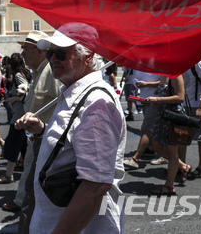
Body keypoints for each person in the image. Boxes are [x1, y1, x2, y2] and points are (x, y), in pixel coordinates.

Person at [15, 30, 126, 234]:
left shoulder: (96, 105)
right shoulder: (73, 90)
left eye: (62, 53)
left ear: (89, 55)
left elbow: (96, 185)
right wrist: (42, 130)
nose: (53, 59)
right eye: (50, 54)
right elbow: (71, 144)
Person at [1, 31, 61, 234]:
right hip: (35, 136)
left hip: (46, 139)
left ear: (41, 51)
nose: (22, 53)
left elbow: (64, 104)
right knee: (30, 181)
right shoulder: (37, 72)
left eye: (26, 49)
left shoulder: (51, 72)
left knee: (33, 187)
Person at [146, 74, 190, 195]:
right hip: (163, 115)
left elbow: (180, 97)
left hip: (173, 116)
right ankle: (182, 166)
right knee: (157, 147)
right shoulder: (164, 75)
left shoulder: (176, 75)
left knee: (171, 152)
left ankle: (169, 186)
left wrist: (157, 99)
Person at [0, 53, 31, 184]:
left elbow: (26, 90)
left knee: (12, 144)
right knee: (24, 145)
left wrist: (14, 98)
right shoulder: (24, 72)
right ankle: (27, 169)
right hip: (23, 114)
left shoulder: (19, 75)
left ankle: (9, 175)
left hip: (19, 116)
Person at [123, 71, 161, 169]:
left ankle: (135, 158)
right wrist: (135, 85)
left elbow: (163, 83)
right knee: (151, 129)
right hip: (144, 101)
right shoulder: (141, 67)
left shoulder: (158, 65)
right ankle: (150, 149)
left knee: (146, 130)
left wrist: (146, 84)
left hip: (154, 101)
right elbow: (135, 84)